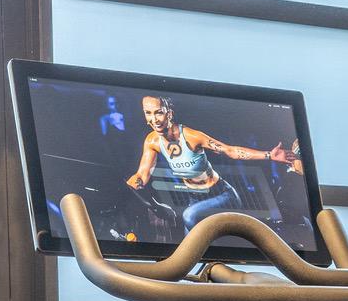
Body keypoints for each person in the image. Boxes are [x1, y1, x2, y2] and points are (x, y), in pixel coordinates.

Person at [126, 95, 294, 230]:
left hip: (221, 195)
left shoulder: (192, 136)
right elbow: (142, 174)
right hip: (194, 199)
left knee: (188, 216)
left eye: (158, 112)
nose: (154, 119)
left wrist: (269, 155)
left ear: (169, 113)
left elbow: (230, 150)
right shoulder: (152, 141)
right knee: (189, 250)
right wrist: (127, 186)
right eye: (148, 113)